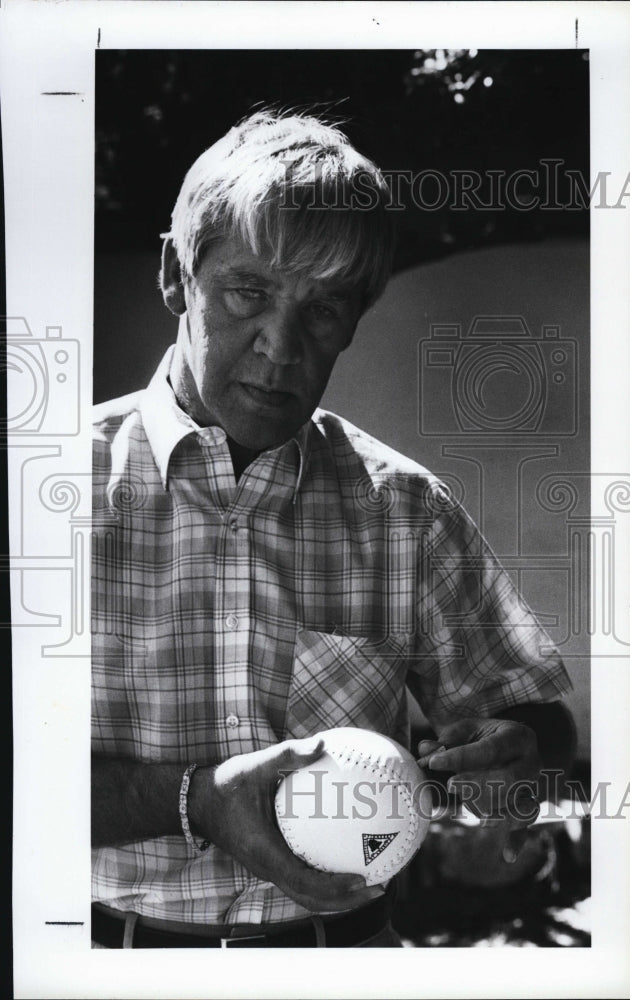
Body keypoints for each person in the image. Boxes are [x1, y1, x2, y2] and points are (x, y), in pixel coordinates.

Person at [91, 110, 575, 948]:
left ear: (358, 318)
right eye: (249, 292)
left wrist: (518, 755)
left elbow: (539, 734)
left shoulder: (408, 511)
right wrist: (196, 798)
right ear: (177, 275)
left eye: (325, 308)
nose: (282, 345)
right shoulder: (46, 491)